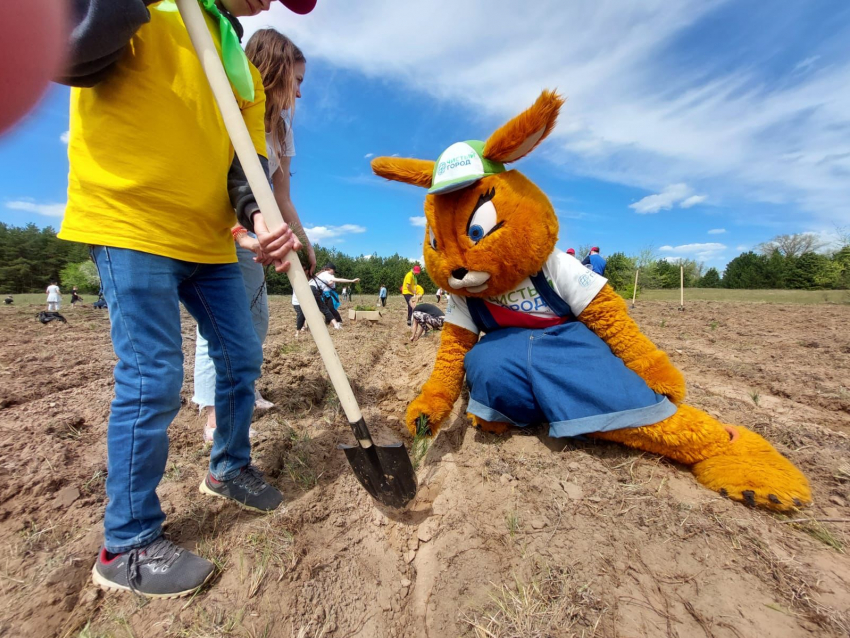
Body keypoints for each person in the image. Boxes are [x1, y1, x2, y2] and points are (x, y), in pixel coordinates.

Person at [56, 0, 315, 599]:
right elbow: (70, 52)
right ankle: (126, 544)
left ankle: (226, 468)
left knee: (241, 355)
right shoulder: (156, 9)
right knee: (153, 376)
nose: (273, 3)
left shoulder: (242, 68)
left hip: (207, 242)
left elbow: (240, 167)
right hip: (129, 219)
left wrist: (258, 216)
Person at [194, 28, 314, 443]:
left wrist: (303, 239)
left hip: (256, 232)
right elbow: (215, 180)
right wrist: (241, 233)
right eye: (296, 80)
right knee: (223, 323)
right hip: (217, 228)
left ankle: (244, 390)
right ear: (275, 70)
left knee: (257, 318)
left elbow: (281, 195)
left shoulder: (281, 129)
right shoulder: (227, 106)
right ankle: (214, 414)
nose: (299, 93)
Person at [312, 263, 359, 329]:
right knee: (330, 308)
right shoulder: (327, 274)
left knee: (328, 308)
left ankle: (329, 321)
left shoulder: (322, 274)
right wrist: (352, 280)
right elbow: (338, 280)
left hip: (325, 293)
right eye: (333, 271)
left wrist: (328, 284)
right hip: (326, 294)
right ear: (330, 269)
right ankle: (338, 321)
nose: (334, 273)